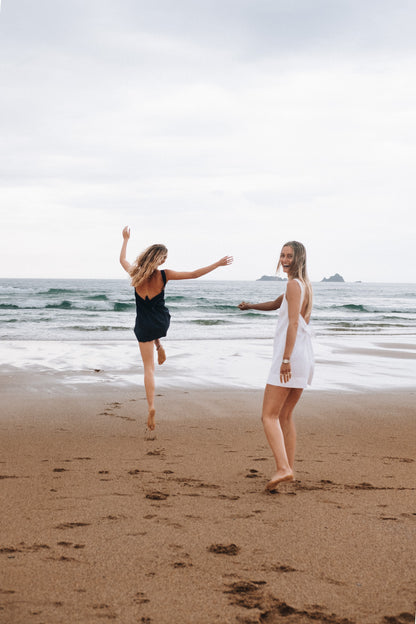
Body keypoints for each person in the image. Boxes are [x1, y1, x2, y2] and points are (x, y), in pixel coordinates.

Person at [120, 226, 233, 431]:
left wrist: (125, 240)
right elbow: (194, 274)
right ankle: (159, 345)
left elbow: (122, 260)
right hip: (161, 322)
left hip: (143, 325)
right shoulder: (164, 275)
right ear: (160, 259)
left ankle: (151, 406)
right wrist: (217, 263)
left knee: (148, 369)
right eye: (164, 258)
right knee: (158, 323)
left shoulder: (135, 274)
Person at [238, 241, 313, 491]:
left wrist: (285, 359)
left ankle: (282, 468)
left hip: (290, 356)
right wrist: (250, 306)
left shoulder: (293, 285)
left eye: (289, 256)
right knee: (285, 416)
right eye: (282, 255)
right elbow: (275, 304)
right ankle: (288, 469)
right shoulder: (303, 286)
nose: (284, 259)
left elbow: (292, 324)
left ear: (299, 258)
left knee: (268, 416)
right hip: (303, 357)